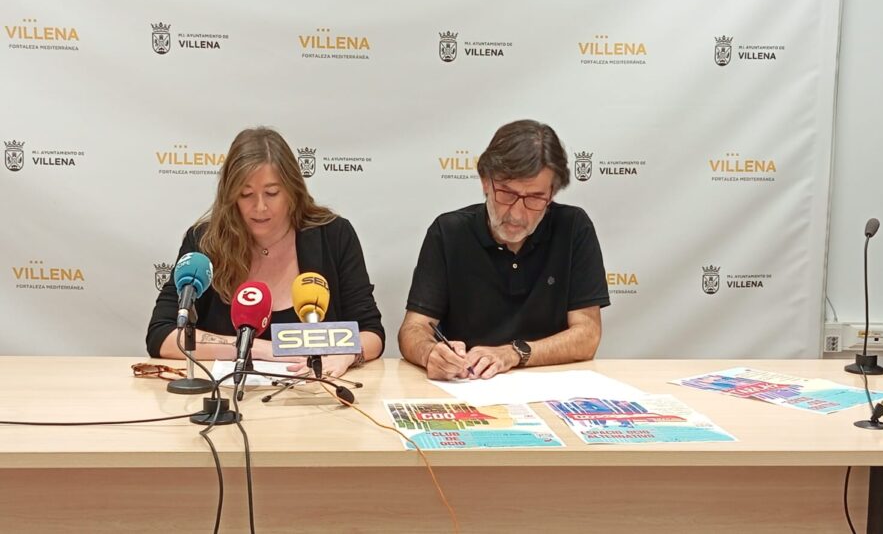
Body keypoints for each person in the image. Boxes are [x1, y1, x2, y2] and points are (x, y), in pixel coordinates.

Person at [146, 127, 384, 377]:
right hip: (224, 394)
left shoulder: (333, 236)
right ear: (230, 196)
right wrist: (259, 348)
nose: (259, 207)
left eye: (272, 193)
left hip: (315, 392)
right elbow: (163, 335)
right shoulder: (206, 241)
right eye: (246, 194)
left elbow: (371, 333)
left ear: (292, 191)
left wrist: (346, 355)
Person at [398, 119, 609, 381]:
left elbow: (588, 335)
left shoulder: (573, 227)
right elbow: (413, 328)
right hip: (468, 384)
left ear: (552, 194)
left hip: (550, 384)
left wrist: (513, 353)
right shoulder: (449, 232)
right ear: (485, 181)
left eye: (535, 198)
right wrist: (431, 353)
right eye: (507, 194)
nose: (517, 214)